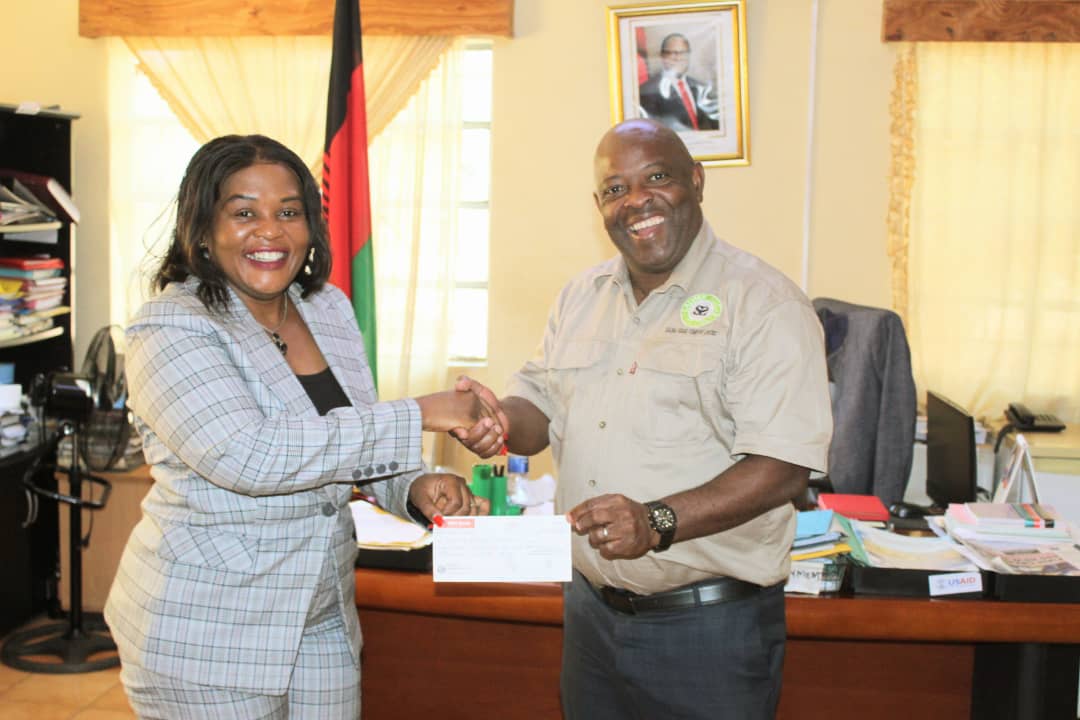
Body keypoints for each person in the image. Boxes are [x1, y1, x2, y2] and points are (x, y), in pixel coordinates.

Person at [104, 134, 504, 719]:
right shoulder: (171, 326)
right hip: (208, 635)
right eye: (244, 213)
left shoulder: (327, 308)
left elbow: (347, 438)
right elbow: (248, 456)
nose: (270, 231)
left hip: (322, 619)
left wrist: (414, 487)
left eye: (289, 212)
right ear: (203, 230)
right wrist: (420, 412)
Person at [453, 119, 832, 720]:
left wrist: (656, 521)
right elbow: (538, 407)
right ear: (599, 206)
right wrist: (495, 420)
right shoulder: (581, 296)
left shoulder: (764, 303)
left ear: (696, 181)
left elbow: (783, 468)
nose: (636, 201)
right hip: (591, 618)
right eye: (615, 189)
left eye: (656, 178)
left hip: (708, 629)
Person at [638, 33, 719, 132]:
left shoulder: (700, 87)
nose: (678, 58)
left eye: (683, 53)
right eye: (672, 53)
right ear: (662, 56)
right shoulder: (646, 92)